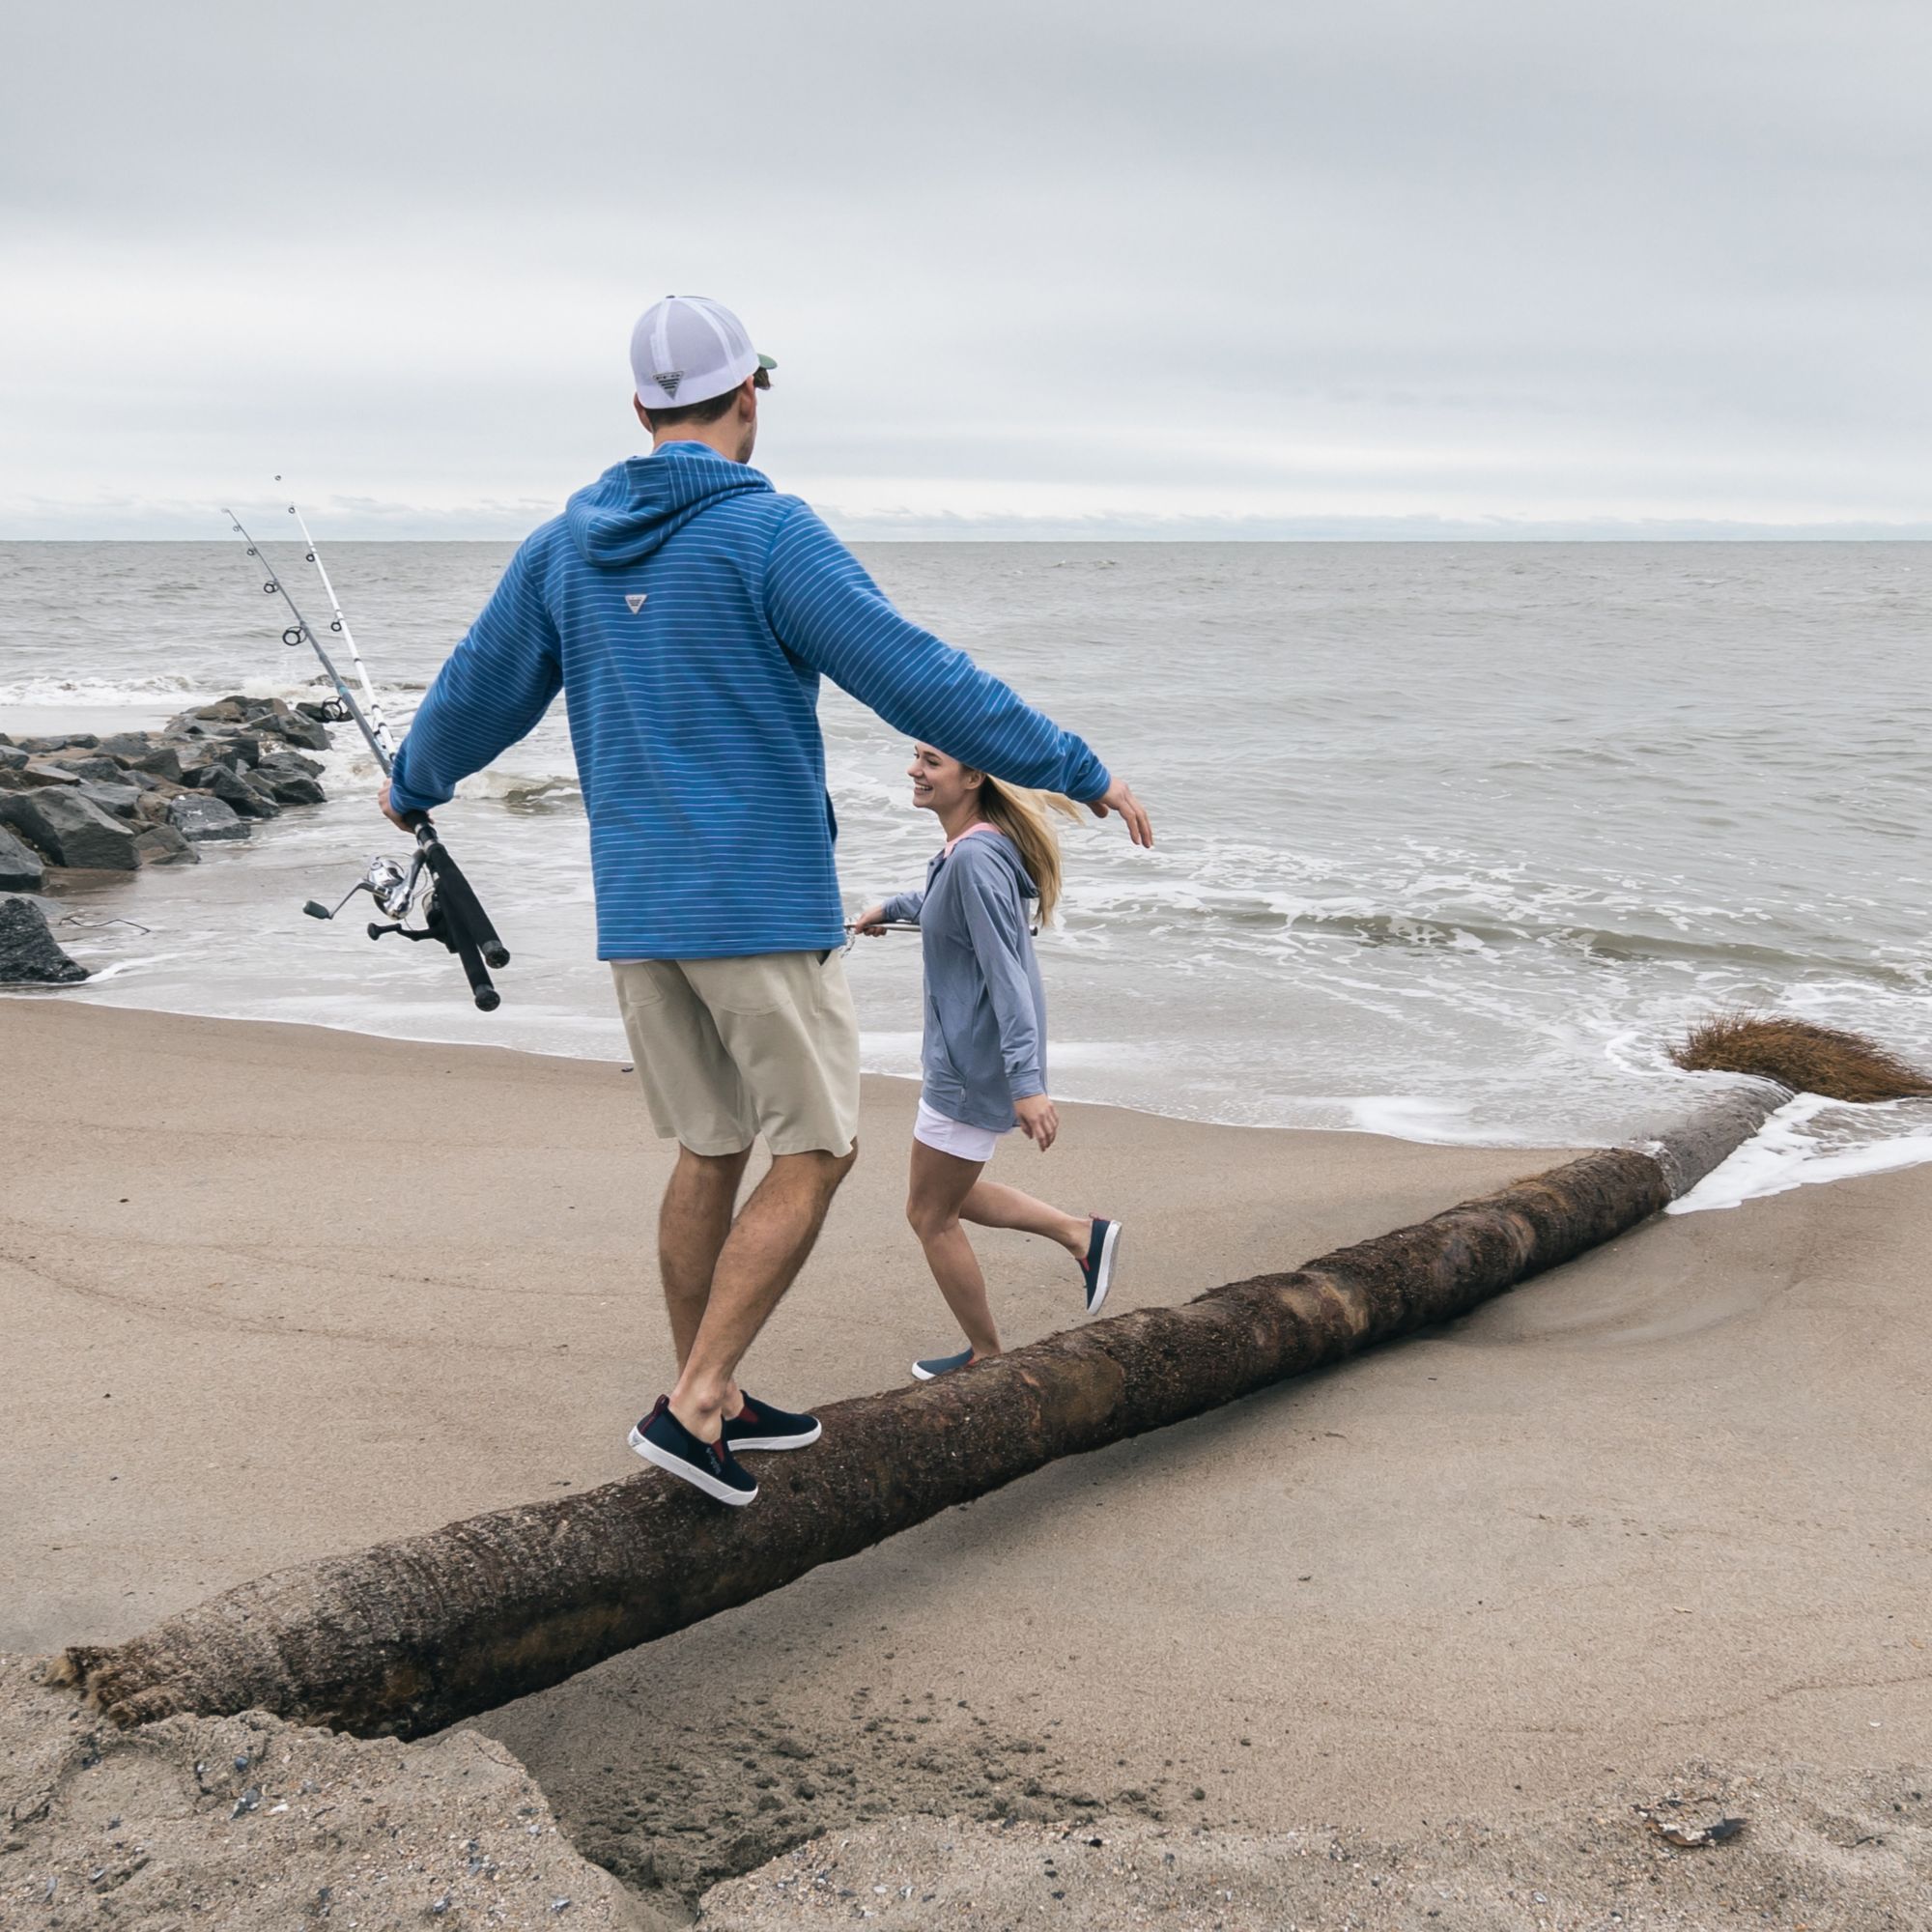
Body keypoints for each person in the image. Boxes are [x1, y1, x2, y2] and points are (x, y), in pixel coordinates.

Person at [379, 295, 1152, 1507]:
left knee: (709, 1145)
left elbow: (481, 688)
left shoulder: (561, 548)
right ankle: (695, 1402)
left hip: (640, 913)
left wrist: (412, 780)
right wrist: (1073, 766)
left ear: (641, 409)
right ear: (750, 397)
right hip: (759, 907)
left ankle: (718, 1394)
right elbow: (919, 675)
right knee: (820, 1148)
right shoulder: (768, 536)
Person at [852, 744, 1121, 1379]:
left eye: (932, 761)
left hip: (972, 1063)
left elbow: (1009, 979)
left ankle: (988, 1354)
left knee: (929, 1212)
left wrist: (1027, 1085)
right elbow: (949, 913)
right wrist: (891, 909)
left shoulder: (975, 856)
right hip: (962, 1054)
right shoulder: (966, 849)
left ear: (972, 778)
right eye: (916, 756)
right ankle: (1083, 1236)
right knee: (950, 1195)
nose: (915, 770)